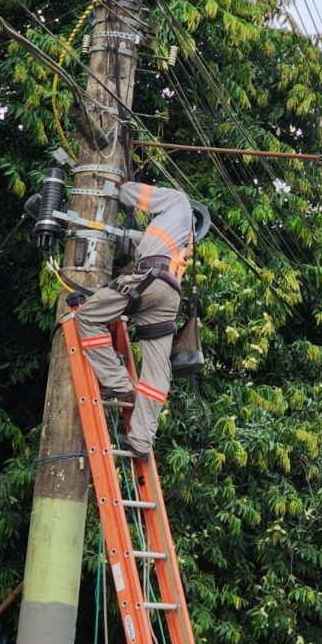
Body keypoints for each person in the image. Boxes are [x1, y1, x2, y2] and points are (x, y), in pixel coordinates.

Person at [76, 180, 198, 457]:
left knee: (88, 316)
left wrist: (120, 186)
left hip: (149, 280)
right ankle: (142, 440)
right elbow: (131, 244)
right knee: (157, 371)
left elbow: (140, 196)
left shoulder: (179, 203)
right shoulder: (178, 242)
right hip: (168, 298)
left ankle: (117, 382)